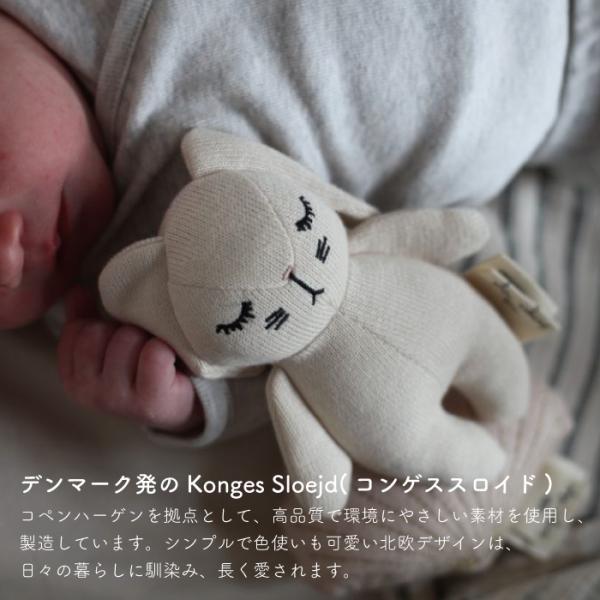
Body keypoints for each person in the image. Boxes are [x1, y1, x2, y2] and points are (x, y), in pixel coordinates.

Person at [1, 1, 598, 594]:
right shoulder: (120, 289)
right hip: (561, 119)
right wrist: (182, 400)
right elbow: (279, 365)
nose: (7, 257)